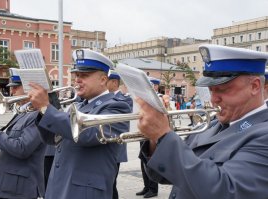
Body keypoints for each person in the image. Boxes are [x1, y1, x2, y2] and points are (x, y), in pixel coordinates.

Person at [137, 44, 268, 199]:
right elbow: (164, 174)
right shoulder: (209, 125)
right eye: (211, 90)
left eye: (222, 89)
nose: (213, 99)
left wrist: (163, 135)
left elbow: (225, 190)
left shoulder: (263, 134)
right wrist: (155, 138)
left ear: (254, 86)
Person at [27, 49, 132, 199]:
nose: (77, 80)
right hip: (60, 186)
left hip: (85, 192)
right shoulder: (79, 106)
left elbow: (87, 134)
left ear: (103, 80)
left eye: (84, 75)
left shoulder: (117, 107)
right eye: (77, 75)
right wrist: (42, 112)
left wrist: (46, 107)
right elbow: (53, 139)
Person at [0, 68, 46, 199]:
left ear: (28, 89)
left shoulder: (38, 114)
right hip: (10, 184)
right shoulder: (23, 112)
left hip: (21, 188)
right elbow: (15, 143)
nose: (11, 91)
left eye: (16, 87)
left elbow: (23, 148)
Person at [107, 70, 133, 199]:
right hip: (103, 147)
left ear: (114, 82)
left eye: (106, 81)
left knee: (111, 184)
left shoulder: (125, 100)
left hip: (115, 146)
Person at [136, 77, 159, 198]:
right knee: (143, 160)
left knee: (151, 161)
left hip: (153, 134)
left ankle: (153, 189)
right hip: (143, 133)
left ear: (155, 86)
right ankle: (146, 186)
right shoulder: (145, 99)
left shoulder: (157, 99)